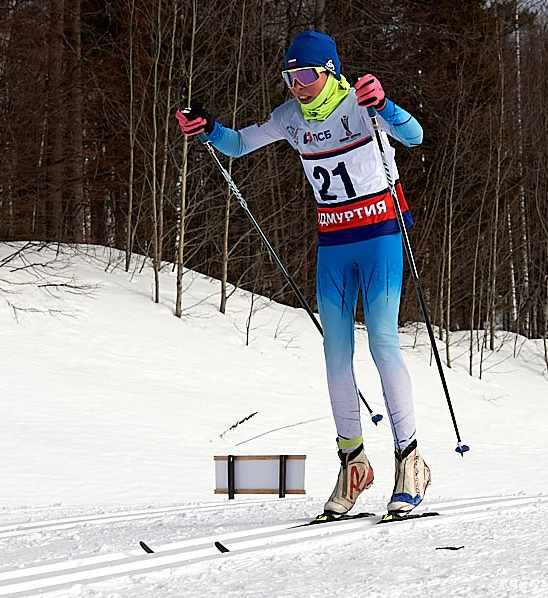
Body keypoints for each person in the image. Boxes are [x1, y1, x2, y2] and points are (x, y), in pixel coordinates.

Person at [176, 30, 429, 519]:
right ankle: (354, 463)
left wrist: (387, 105)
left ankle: (410, 460)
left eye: (307, 74)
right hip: (332, 244)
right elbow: (238, 144)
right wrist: (208, 128)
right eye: (290, 76)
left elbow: (415, 136)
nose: (297, 85)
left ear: (331, 72)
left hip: (379, 237)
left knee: (382, 344)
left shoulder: (360, 104)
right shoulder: (290, 118)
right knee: (336, 356)